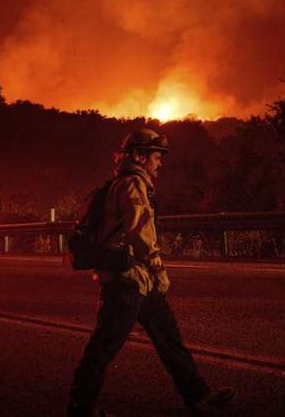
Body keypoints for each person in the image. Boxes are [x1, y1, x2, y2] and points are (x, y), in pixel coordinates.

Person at [67, 128, 236, 417]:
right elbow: (141, 235)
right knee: (103, 348)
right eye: (157, 156)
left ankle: (199, 398)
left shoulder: (123, 182)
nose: (161, 163)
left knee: (168, 339)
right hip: (127, 282)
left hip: (136, 280)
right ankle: (80, 409)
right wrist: (159, 269)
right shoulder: (132, 184)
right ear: (141, 156)